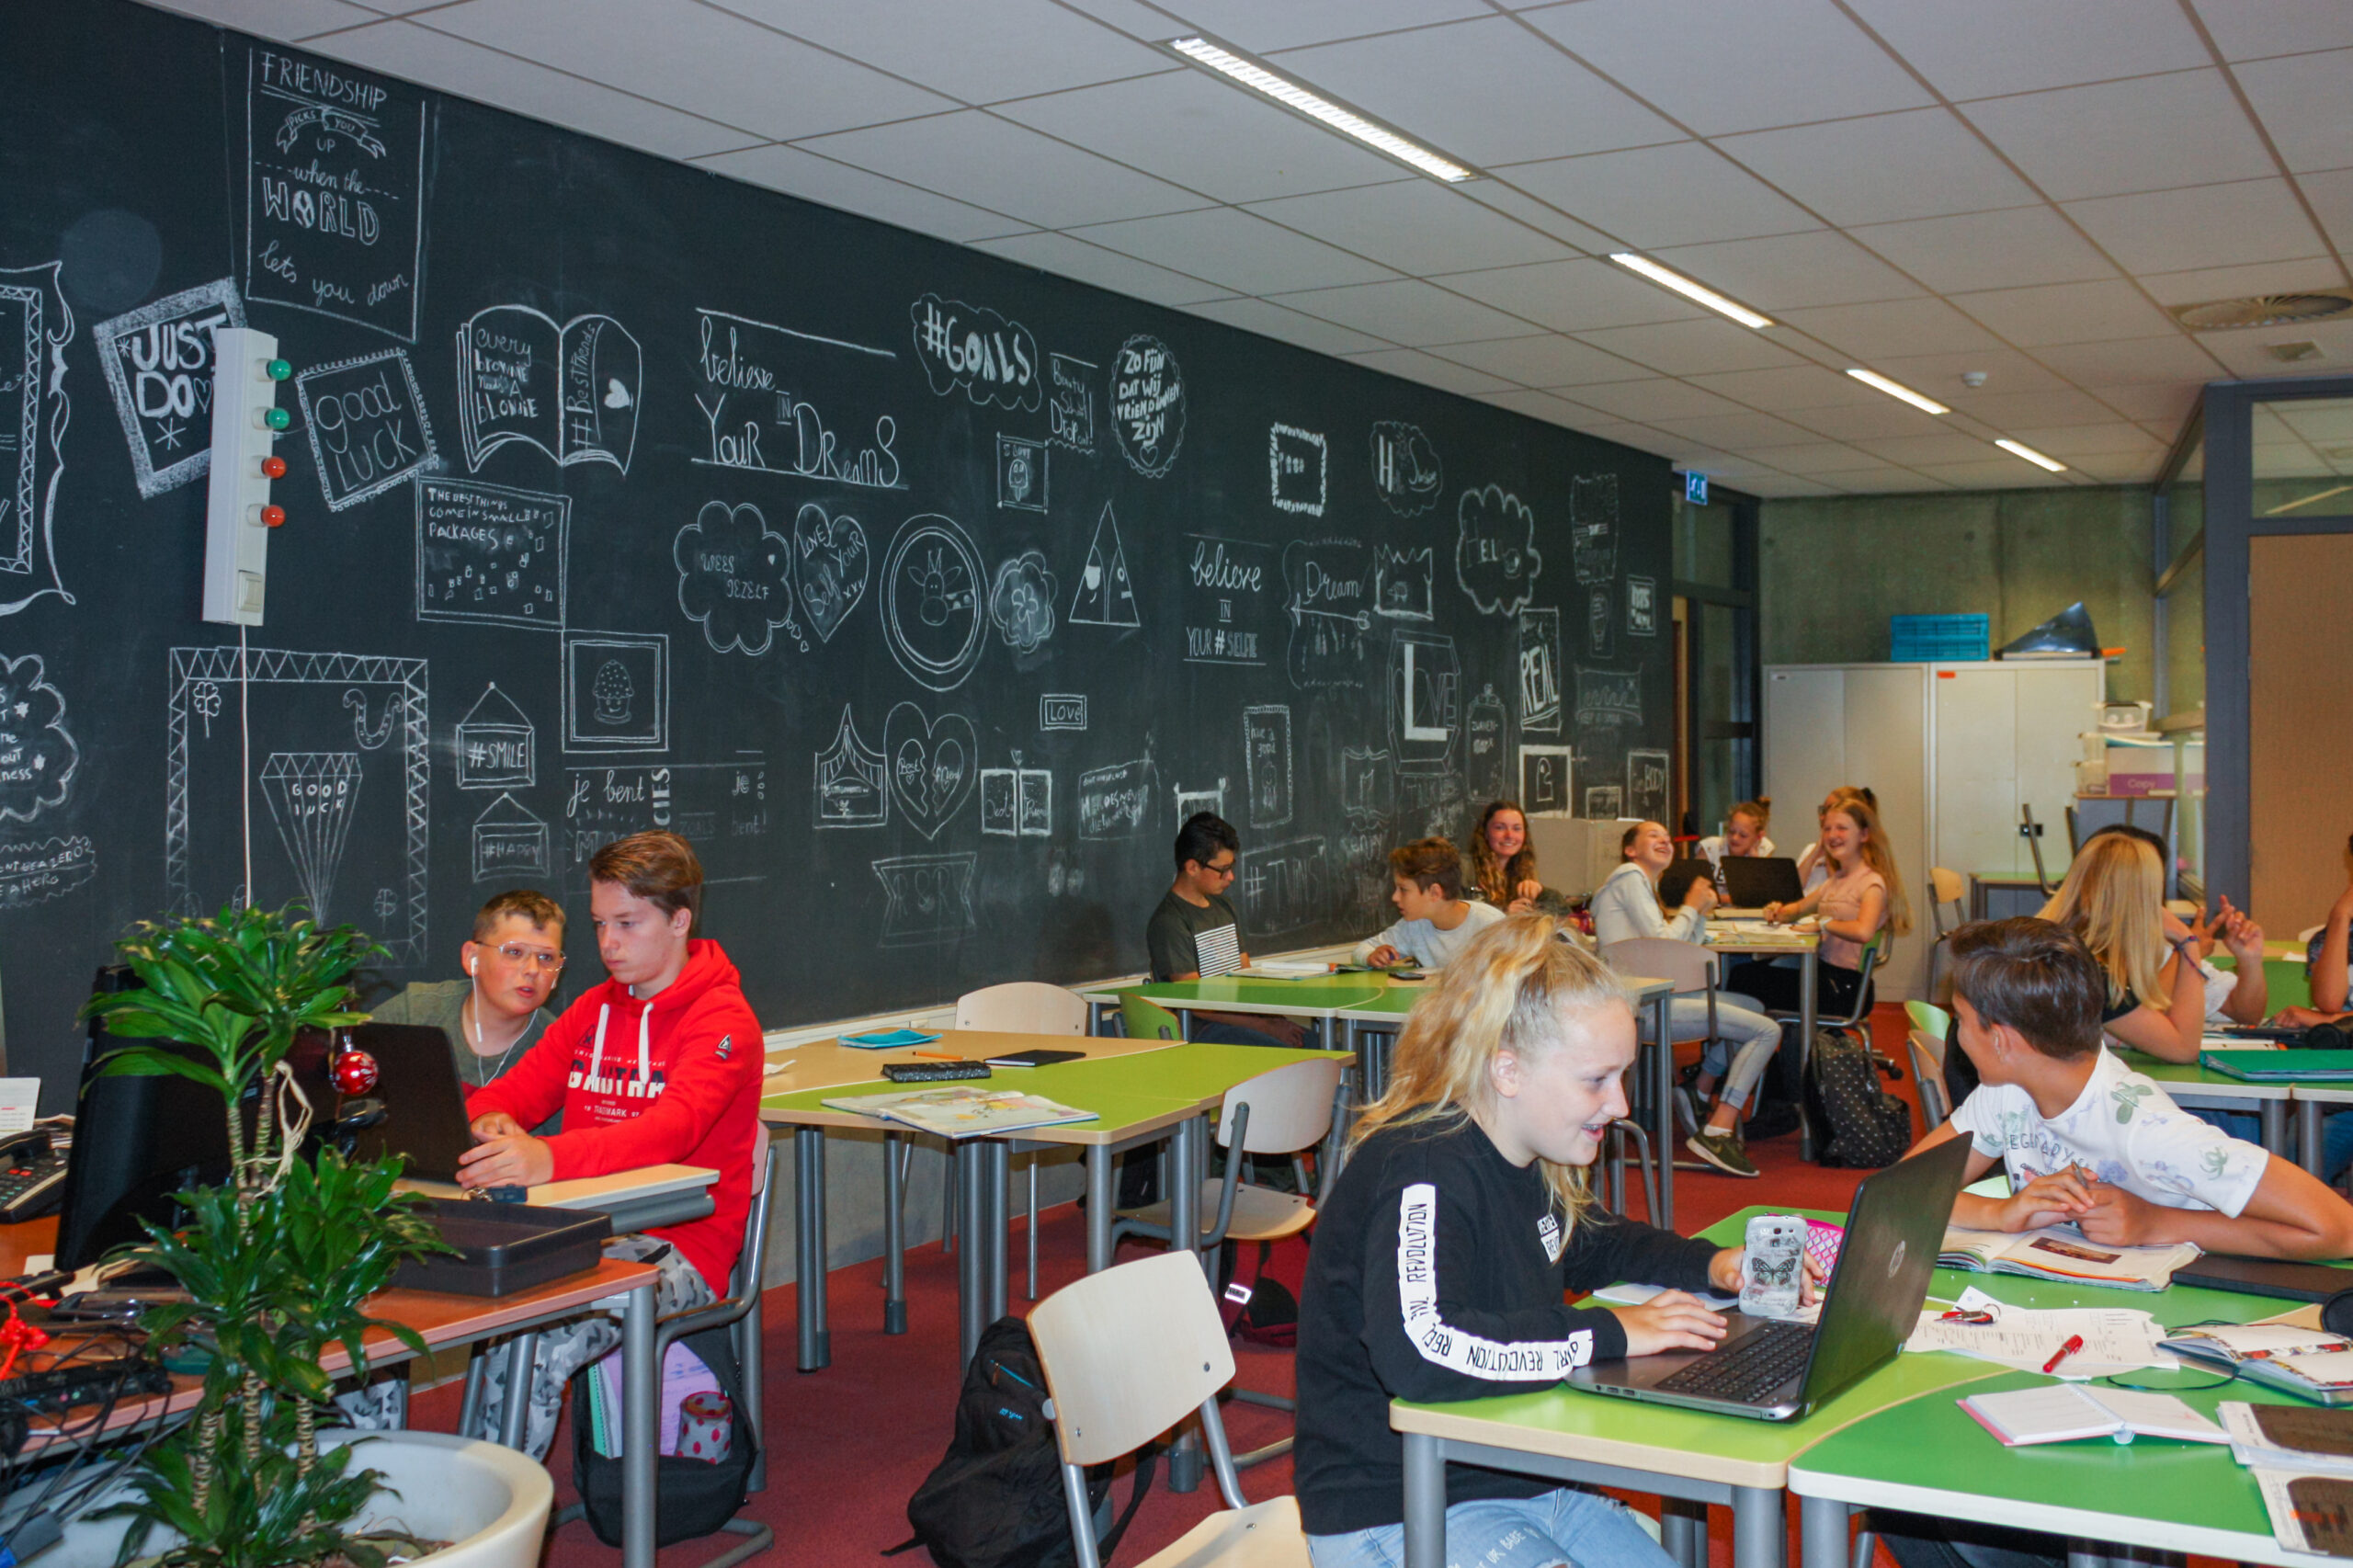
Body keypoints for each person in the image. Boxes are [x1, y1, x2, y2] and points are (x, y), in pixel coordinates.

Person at [1294, 916, 1817, 1568]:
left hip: (1526, 1472)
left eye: (1622, 1076)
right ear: (1507, 1070)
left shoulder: (1531, 1152)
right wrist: (1609, 1332)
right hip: (1398, 1504)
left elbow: (1592, 1242)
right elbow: (1423, 1351)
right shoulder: (1423, 1170)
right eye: (1596, 1080)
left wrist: (1711, 1264)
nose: (1621, 1104)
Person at [457, 831, 764, 1459]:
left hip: (681, 1250)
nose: (607, 943)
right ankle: (464, 1507)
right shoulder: (593, 1009)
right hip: (579, 1229)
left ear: (679, 920)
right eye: (599, 923)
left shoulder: (723, 1019)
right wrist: (490, 1123)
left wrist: (549, 1158)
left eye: (627, 923)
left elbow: (670, 1132)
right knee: (483, 1314)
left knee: (536, 1336)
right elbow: (505, 1096)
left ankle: (495, 1524)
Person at [1914, 917, 2353, 1260]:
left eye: (1962, 1019)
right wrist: (2000, 1214)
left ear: (2002, 1040)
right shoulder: (2009, 1090)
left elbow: (2338, 1228)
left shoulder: (2147, 1128)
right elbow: (1901, 1192)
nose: (1960, 1034)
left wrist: (2156, 1222)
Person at [1590, 822, 1784, 1178]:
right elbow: (1661, 939)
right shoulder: (1629, 876)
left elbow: (1681, 948)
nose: (1664, 840)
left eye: (1667, 837)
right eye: (1653, 836)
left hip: (1651, 999)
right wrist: (1691, 907)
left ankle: (1699, 1089)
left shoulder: (1645, 885)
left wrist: (1700, 911)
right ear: (1630, 850)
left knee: (1753, 1007)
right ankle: (1718, 1130)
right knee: (1767, 1031)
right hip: (1644, 1007)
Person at [369, 889, 565, 1112]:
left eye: (546, 957)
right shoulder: (413, 1015)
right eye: (514, 952)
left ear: (557, 973)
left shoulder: (560, 1051)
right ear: (472, 958)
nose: (532, 970)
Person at [1733, 794, 1909, 1018]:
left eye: (1841, 828)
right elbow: (1798, 909)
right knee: (1744, 974)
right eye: (1827, 829)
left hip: (1843, 988)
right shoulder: (1837, 879)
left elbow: (1863, 931)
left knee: (1742, 979)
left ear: (1864, 834)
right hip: (1824, 976)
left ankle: (1748, 1050)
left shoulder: (1871, 883)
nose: (1832, 835)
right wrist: (1779, 911)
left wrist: (1823, 924)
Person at [1144, 812, 1302, 1047]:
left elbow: (1245, 975)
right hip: (1206, 1031)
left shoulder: (1224, 906)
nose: (1231, 877)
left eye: (1232, 867)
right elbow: (1196, 1003)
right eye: (1223, 869)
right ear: (1192, 867)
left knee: (1317, 1044)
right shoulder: (1169, 922)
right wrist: (1264, 1026)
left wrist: (1271, 1018)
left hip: (1245, 1020)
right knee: (1289, 1055)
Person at [1352, 838, 1504, 970]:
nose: (1395, 897)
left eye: (1403, 890)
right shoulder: (1414, 925)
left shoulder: (1492, 926)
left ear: (1435, 893)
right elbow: (1361, 949)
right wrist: (1371, 956)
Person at [1468, 800, 1543, 914]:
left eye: (1517, 828)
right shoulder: (1465, 869)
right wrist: (1503, 913)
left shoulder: (1522, 873)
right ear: (1485, 833)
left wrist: (1540, 893)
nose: (1509, 835)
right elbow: (1456, 917)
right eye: (1500, 828)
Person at [1794, 786, 1873, 894]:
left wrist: (1829, 856)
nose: (1822, 817)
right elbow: (1792, 891)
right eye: (1823, 810)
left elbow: (1837, 895)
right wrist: (1814, 854)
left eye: (1830, 810)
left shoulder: (1862, 857)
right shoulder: (1811, 849)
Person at [1697, 798, 1776, 869]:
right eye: (1731, 831)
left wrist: (1754, 859)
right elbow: (1693, 881)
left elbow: (1761, 884)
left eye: (1743, 835)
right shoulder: (1711, 847)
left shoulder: (1763, 848)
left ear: (1759, 836)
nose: (1735, 838)